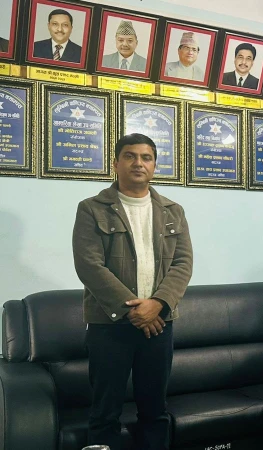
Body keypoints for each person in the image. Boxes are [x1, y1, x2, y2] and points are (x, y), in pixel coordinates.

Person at [72, 133, 193, 450]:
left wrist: (159, 304)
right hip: (108, 326)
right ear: (115, 163)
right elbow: (89, 265)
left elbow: (183, 263)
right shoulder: (92, 208)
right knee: (105, 413)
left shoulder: (173, 211)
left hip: (160, 324)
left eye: (146, 157)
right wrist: (135, 310)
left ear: (154, 165)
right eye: (130, 156)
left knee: (155, 411)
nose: (138, 163)